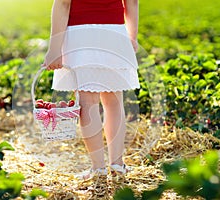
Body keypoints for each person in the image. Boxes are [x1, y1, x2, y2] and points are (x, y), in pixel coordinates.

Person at [42, 0, 139, 180]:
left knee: (88, 104)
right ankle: (117, 164)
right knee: (114, 103)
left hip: (81, 35)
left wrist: (54, 49)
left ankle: (98, 169)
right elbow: (132, 2)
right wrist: (131, 37)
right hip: (114, 33)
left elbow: (63, 4)